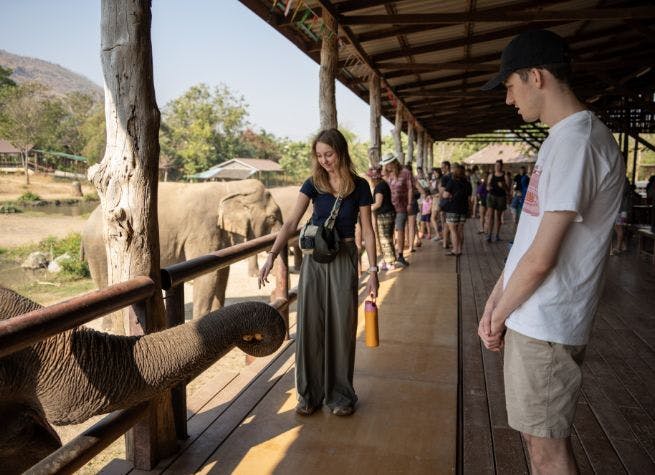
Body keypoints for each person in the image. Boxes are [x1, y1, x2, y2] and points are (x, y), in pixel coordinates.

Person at [478, 30, 624, 474]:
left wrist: (499, 314)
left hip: (546, 321)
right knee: (535, 437)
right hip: (533, 317)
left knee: (546, 451)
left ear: (535, 77)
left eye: (509, 86)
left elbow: (543, 256)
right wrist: (494, 302)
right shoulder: (562, 140)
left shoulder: (578, 142)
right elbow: (528, 237)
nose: (508, 100)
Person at [259, 129, 378, 417]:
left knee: (342, 326)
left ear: (341, 152)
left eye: (329, 154)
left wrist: (373, 269)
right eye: (319, 155)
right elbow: (290, 223)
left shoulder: (360, 186)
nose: (324, 160)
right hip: (314, 261)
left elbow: (369, 230)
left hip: (344, 257)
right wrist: (272, 255)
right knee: (310, 324)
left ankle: (340, 396)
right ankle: (309, 394)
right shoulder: (313, 184)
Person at [381, 153, 412, 268]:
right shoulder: (385, 174)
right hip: (388, 207)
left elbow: (410, 188)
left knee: (400, 229)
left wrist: (409, 203)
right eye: (385, 164)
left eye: (388, 164)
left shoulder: (405, 172)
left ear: (394, 162)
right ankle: (389, 256)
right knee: (388, 232)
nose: (387, 166)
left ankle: (400, 256)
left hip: (401, 206)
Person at [368, 165, 396, 270]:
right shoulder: (383, 184)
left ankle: (390, 262)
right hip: (388, 213)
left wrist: (365, 209)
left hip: (385, 215)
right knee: (386, 238)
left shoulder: (379, 187)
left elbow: (378, 204)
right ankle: (388, 260)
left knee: (385, 239)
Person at [442, 163, 472, 256]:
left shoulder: (452, 181)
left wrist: (450, 194)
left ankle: (455, 250)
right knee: (460, 229)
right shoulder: (467, 183)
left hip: (453, 208)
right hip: (463, 208)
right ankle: (460, 249)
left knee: (453, 230)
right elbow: (469, 197)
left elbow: (445, 195)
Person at [485, 159, 509, 242]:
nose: (497, 167)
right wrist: (488, 187)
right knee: (490, 215)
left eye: (499, 166)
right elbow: (487, 185)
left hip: (501, 197)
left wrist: (503, 186)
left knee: (498, 217)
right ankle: (489, 235)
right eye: (496, 165)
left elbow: (508, 189)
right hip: (491, 196)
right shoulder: (491, 175)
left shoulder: (505, 176)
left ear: (502, 166)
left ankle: (497, 235)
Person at [439, 160, 453, 249]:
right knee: (450, 222)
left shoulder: (444, 177)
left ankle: (445, 242)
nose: (441, 169)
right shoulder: (453, 176)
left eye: (442, 167)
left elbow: (442, 191)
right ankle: (448, 240)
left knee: (445, 223)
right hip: (453, 201)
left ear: (447, 167)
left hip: (446, 201)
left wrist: (441, 202)